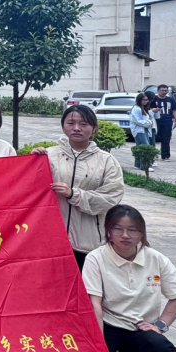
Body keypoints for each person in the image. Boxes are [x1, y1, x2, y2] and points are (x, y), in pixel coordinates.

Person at [74, 205, 176, 352]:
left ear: (142, 232)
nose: (125, 235)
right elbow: (94, 304)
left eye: (132, 230)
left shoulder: (156, 259)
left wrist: (160, 325)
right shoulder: (96, 258)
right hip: (108, 324)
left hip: (140, 328)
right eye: (118, 229)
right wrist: (99, 348)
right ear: (108, 231)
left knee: (162, 349)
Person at [33, 105, 125, 269]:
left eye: (83, 124)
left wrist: (74, 195)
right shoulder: (49, 156)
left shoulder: (106, 161)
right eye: (71, 123)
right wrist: (32, 162)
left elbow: (111, 197)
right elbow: (31, 190)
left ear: (94, 128)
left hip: (89, 243)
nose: (76, 128)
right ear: (63, 126)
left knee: (86, 284)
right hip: (52, 241)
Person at [128, 93, 156, 171]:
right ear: (139, 100)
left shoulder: (143, 108)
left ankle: (138, 164)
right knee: (145, 147)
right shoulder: (136, 109)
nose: (145, 101)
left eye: (146, 100)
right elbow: (137, 121)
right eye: (143, 100)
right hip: (139, 130)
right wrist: (149, 123)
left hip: (144, 129)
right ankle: (146, 165)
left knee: (140, 146)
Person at [154, 85, 176, 161]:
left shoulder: (170, 100)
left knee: (166, 139)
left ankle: (165, 155)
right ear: (158, 90)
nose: (164, 92)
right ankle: (152, 155)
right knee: (153, 138)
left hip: (167, 121)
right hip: (156, 121)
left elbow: (174, 110)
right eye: (162, 90)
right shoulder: (154, 99)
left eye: (165, 90)